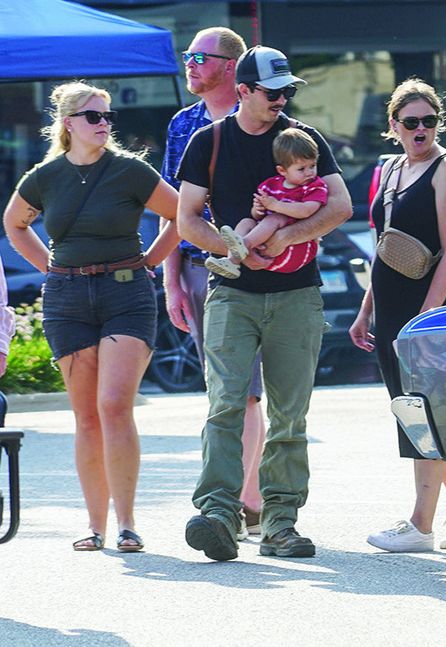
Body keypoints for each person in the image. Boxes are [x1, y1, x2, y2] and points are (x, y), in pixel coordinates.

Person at [176, 45, 351, 561]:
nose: (281, 100)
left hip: (297, 294)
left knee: (290, 416)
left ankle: (280, 524)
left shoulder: (304, 140)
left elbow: (339, 205)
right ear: (244, 91)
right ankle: (217, 515)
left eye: (287, 91)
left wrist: (283, 236)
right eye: (272, 91)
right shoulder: (208, 142)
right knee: (225, 404)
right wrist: (233, 249)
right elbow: (187, 219)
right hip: (232, 292)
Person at [2, 81, 181, 552]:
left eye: (107, 116)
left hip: (126, 292)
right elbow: (14, 224)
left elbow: (181, 214)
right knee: (85, 417)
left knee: (114, 405)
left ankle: (127, 524)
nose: (104, 124)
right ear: (68, 124)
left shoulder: (129, 171)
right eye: (93, 116)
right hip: (67, 298)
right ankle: (95, 526)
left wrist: (153, 262)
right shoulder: (45, 176)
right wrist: (50, 268)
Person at [349, 78, 446, 553]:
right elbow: (384, 246)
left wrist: (426, 320)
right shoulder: (390, 169)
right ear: (394, 126)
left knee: (422, 412)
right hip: (391, 306)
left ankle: (421, 524)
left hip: (432, 309)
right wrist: (366, 309)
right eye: (411, 122)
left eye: (429, 121)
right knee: (415, 414)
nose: (421, 130)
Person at [161, 26, 267, 540]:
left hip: (256, 268)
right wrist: (171, 280)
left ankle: (248, 499)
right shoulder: (183, 124)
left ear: (230, 66)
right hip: (197, 267)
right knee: (220, 390)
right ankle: (244, 496)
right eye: (188, 56)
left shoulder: (262, 119)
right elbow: (171, 212)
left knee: (246, 393)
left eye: (199, 57)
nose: (190, 64)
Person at [207, 128, 328, 279]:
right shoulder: (269, 186)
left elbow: (306, 211)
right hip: (266, 248)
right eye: (301, 168)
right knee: (247, 221)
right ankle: (232, 261)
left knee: (276, 218)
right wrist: (258, 209)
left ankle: (243, 245)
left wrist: (276, 206)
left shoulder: (315, 186)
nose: (309, 172)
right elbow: (257, 216)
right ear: (282, 170)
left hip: (296, 249)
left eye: (313, 165)